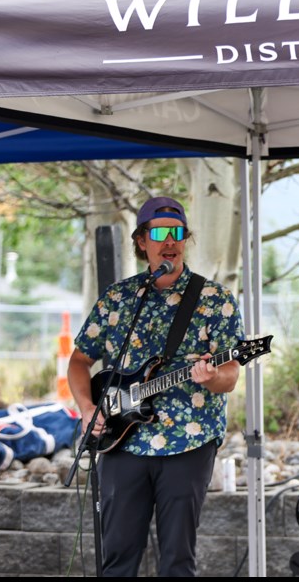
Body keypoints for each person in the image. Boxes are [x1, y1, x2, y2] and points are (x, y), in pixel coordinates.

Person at [67, 196, 245, 577]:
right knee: (117, 557)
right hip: (121, 440)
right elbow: (80, 361)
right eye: (160, 232)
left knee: (178, 560)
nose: (170, 241)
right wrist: (86, 409)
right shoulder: (118, 298)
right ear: (142, 241)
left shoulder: (215, 300)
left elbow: (230, 374)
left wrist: (213, 377)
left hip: (188, 442)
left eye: (177, 232)